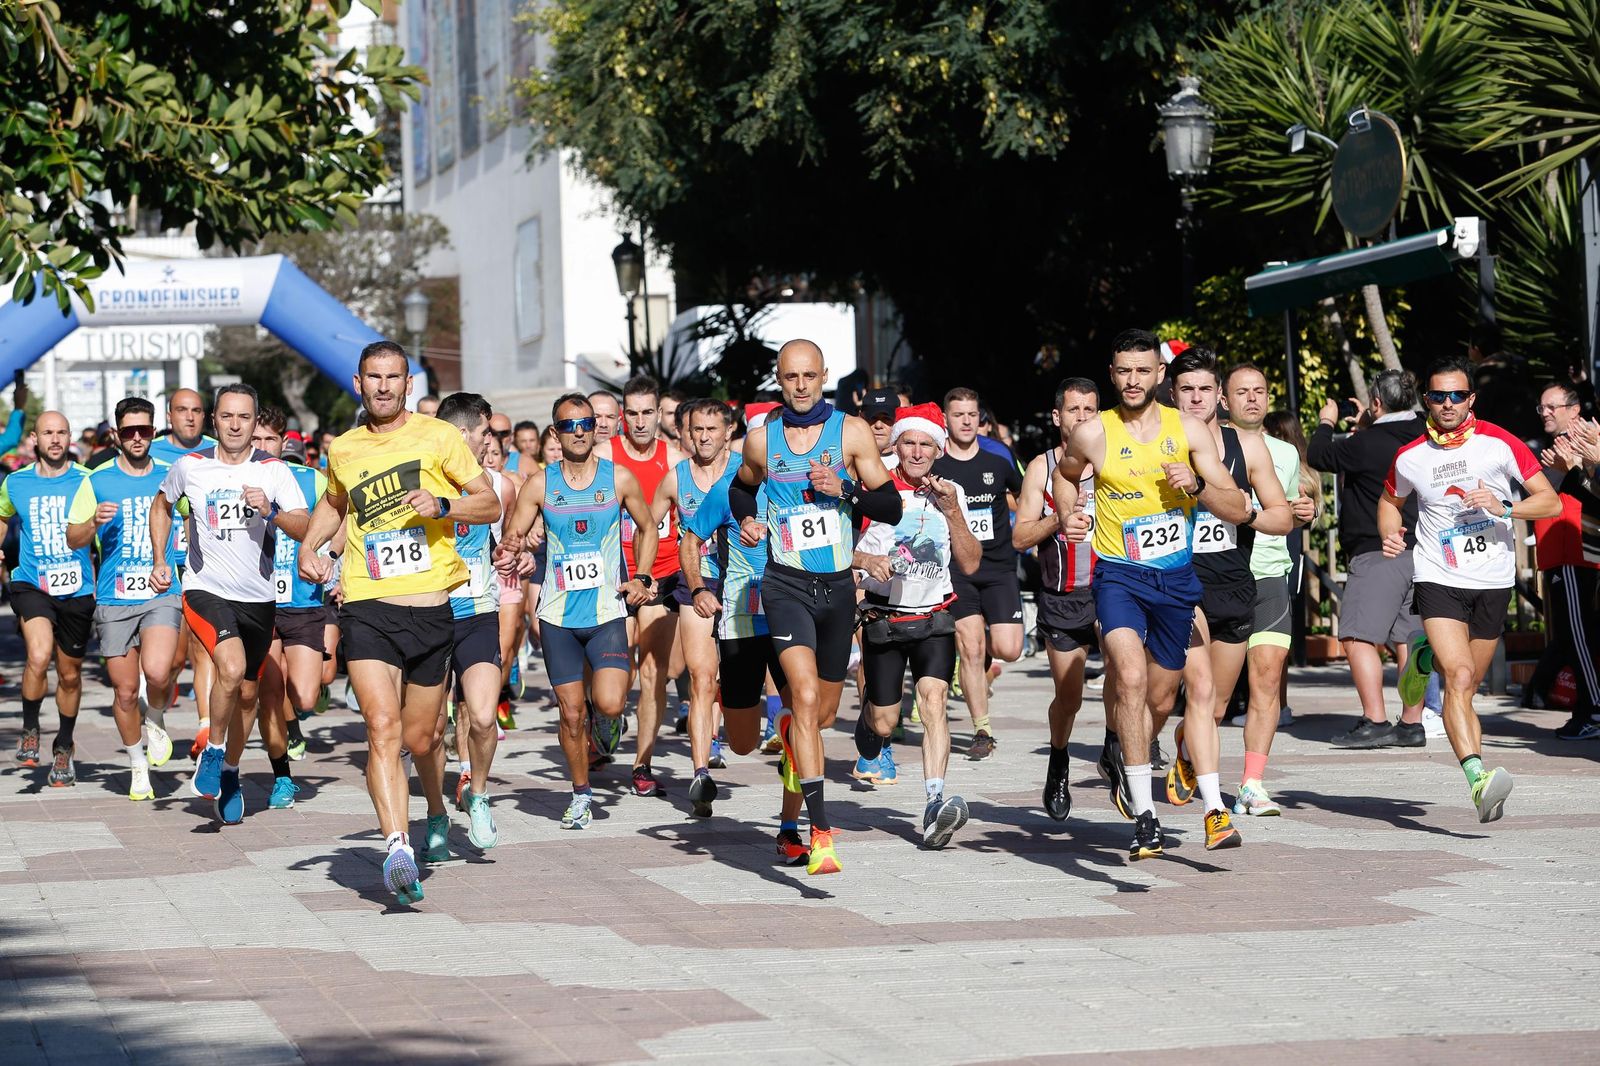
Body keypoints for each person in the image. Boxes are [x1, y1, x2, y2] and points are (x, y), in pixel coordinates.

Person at [298, 342, 501, 904]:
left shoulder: (439, 438)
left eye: (394, 377)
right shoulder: (344, 448)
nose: (384, 386)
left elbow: (488, 504)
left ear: (407, 383)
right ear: (358, 382)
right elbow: (336, 505)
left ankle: (436, 806)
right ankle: (396, 846)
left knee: (421, 735)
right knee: (382, 729)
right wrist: (308, 548)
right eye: (373, 377)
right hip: (366, 605)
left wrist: (443, 506)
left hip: (432, 608)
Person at [1053, 329, 1257, 860]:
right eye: (1124, 371)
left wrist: (1196, 486)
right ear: (1113, 373)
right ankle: (1147, 817)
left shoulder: (1188, 428)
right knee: (1131, 677)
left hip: (1176, 581)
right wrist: (1068, 514)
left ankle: (1125, 753)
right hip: (1119, 575)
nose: (1133, 380)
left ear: (1159, 375)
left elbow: (1236, 507)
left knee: (1163, 697)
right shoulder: (1093, 433)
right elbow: (1065, 476)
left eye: (1143, 371)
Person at [729, 339, 900, 874]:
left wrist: (846, 488)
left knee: (819, 716)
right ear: (778, 381)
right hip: (785, 586)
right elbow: (740, 490)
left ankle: (786, 820)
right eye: (790, 377)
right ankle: (820, 832)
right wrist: (749, 520)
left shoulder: (849, 433)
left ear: (824, 375)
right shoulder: (761, 440)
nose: (800, 386)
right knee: (800, 698)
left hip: (836, 593)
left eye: (809, 376)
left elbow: (890, 505)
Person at [1380, 357, 1560, 822]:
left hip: (1492, 581)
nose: (1447, 404)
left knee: (1468, 685)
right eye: (1438, 396)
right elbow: (1389, 498)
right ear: (1427, 400)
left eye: (1457, 395)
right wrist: (1390, 531)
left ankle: (1422, 658)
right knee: (1458, 678)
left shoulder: (1500, 444)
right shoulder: (1411, 456)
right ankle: (1478, 780)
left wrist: (1504, 507)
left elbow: (1550, 500)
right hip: (1438, 574)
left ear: (1471, 399)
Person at [150, 385, 309, 826]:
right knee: (231, 668)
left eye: (244, 417)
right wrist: (161, 559)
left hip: (258, 598)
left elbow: (304, 525)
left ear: (255, 422)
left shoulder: (275, 471)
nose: (235, 425)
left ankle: (233, 772)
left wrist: (271, 511)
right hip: (205, 589)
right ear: (214, 420)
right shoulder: (191, 467)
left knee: (248, 697)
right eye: (226, 416)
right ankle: (214, 751)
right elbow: (160, 506)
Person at [498, 393, 656, 829]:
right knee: (570, 714)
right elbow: (513, 538)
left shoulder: (618, 478)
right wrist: (515, 549)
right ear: (556, 433)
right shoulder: (541, 484)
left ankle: (609, 724)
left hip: (607, 610)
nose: (580, 431)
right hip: (557, 616)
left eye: (586, 423)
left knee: (608, 703)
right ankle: (581, 793)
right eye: (569, 425)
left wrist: (642, 576)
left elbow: (647, 527)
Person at [1158, 351, 1292, 846]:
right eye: (1185, 389)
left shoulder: (1247, 446)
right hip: (1175, 580)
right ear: (1172, 395)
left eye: (1203, 390)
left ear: (1219, 395)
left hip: (1232, 580)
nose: (1195, 398)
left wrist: (1244, 513)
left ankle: (1188, 752)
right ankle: (1142, 754)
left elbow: (1282, 517)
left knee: (1212, 706)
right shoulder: (1153, 443)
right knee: (1186, 691)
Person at [854, 404, 981, 847]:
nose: (917, 451)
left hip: (934, 618)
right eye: (909, 442)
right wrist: (866, 562)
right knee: (886, 724)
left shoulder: (952, 492)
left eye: (926, 443)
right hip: (883, 618)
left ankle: (933, 802)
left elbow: (969, 561)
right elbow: (836, 549)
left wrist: (952, 512)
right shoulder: (875, 490)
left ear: (937, 449)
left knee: (934, 701)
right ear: (897, 445)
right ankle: (870, 718)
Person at [1310, 369, 1429, 749]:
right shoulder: (1427, 432)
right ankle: (1411, 723)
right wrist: (1367, 422)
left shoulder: (1366, 443)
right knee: (1409, 637)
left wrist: (1328, 421)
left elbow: (1318, 454)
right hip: (1423, 549)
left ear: (1376, 403)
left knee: (1358, 636)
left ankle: (1375, 719)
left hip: (1378, 550)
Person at [1221, 364, 1318, 817]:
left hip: (1271, 574)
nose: (1253, 399)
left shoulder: (1285, 451)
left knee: (1266, 680)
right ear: (1225, 400)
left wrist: (1305, 511)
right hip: (1220, 578)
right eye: (1242, 392)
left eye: (1259, 391)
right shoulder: (1209, 448)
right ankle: (1186, 750)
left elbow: (1291, 511)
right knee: (1215, 694)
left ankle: (1252, 784)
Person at [1013, 379, 1100, 819]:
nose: (1082, 417)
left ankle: (1119, 750)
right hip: (1062, 594)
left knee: (1130, 680)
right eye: (1073, 410)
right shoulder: (1040, 468)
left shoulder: (1116, 464)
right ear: (1057, 417)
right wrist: (1059, 518)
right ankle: (1060, 758)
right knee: (1070, 697)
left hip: (1112, 589)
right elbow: (1019, 536)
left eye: (1089, 409)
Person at [438, 392, 522, 849]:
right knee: (429, 731)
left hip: (478, 612)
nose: (491, 441)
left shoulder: (497, 485)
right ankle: (435, 812)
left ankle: (480, 792)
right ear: (463, 434)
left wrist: (513, 557)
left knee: (484, 717)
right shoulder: (422, 479)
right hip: (429, 614)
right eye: (485, 432)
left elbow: (503, 543)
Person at [88, 398, 181, 800]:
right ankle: (137, 764)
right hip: (114, 595)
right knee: (125, 692)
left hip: (161, 588)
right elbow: (74, 537)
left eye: (145, 430)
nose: (138, 437)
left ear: (154, 430)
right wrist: (91, 523)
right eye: (130, 431)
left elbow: (195, 519)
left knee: (159, 672)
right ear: (117, 435)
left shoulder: (171, 475)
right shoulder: (95, 480)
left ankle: (156, 715)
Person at [596, 375, 684, 796]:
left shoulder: (675, 458)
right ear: (621, 416)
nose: (641, 421)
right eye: (632, 413)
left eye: (648, 412)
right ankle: (606, 716)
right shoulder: (602, 455)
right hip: (613, 580)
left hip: (660, 577)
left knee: (655, 672)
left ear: (659, 413)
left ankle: (642, 763)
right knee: (618, 672)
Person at [1, 411, 97, 784]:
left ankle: (64, 746)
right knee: (38, 655)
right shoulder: (16, 482)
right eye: (47, 433)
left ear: (69, 437)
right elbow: (3, 516)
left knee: (70, 675)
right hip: (31, 582)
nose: (55, 439)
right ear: (34, 440)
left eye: (61, 433)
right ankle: (29, 730)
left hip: (77, 588)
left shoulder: (88, 480)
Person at [653, 399, 736, 813]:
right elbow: (646, 526)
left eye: (711, 430)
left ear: (728, 431)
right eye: (696, 430)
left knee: (732, 681)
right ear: (686, 433)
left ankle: (733, 731)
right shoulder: (675, 479)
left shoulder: (747, 470)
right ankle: (701, 774)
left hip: (744, 583)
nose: (703, 437)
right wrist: (644, 573)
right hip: (695, 584)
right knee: (702, 677)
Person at [934, 387, 1024, 758]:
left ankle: (984, 666)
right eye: (959, 415)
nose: (967, 421)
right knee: (970, 647)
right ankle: (981, 730)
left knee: (1009, 648)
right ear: (946, 419)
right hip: (958, 571)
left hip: (999, 567)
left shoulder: (999, 457)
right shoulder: (937, 464)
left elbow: (1024, 496)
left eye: (973, 414)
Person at [250, 410, 325, 807]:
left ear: (284, 444)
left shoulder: (312, 480)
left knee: (306, 698)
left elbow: (340, 520)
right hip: (259, 603)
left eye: (269, 440)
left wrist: (331, 558)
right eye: (256, 439)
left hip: (304, 600)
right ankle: (281, 776)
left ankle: (300, 715)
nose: (262, 447)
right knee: (270, 695)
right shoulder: (234, 480)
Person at [150, 388, 220, 757]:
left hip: (205, 568)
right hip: (163, 568)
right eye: (182, 410)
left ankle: (205, 732)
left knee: (201, 649)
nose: (190, 417)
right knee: (172, 661)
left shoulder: (216, 449)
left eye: (196, 411)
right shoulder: (152, 452)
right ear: (169, 415)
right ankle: (156, 713)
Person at [1530, 383, 1600, 738]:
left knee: (1579, 636)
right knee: (1571, 636)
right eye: (1541, 407)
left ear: (1573, 409)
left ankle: (1594, 709)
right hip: (1559, 552)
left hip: (1575, 550)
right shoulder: (1557, 446)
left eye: (1552, 406)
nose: (1545, 412)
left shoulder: (1585, 440)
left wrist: (1573, 466)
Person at [1467, 321, 1540, 445]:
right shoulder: (1521, 366)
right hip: (1535, 435)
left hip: (1507, 443)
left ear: (1476, 349)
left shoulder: (1484, 376)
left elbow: (1479, 415)